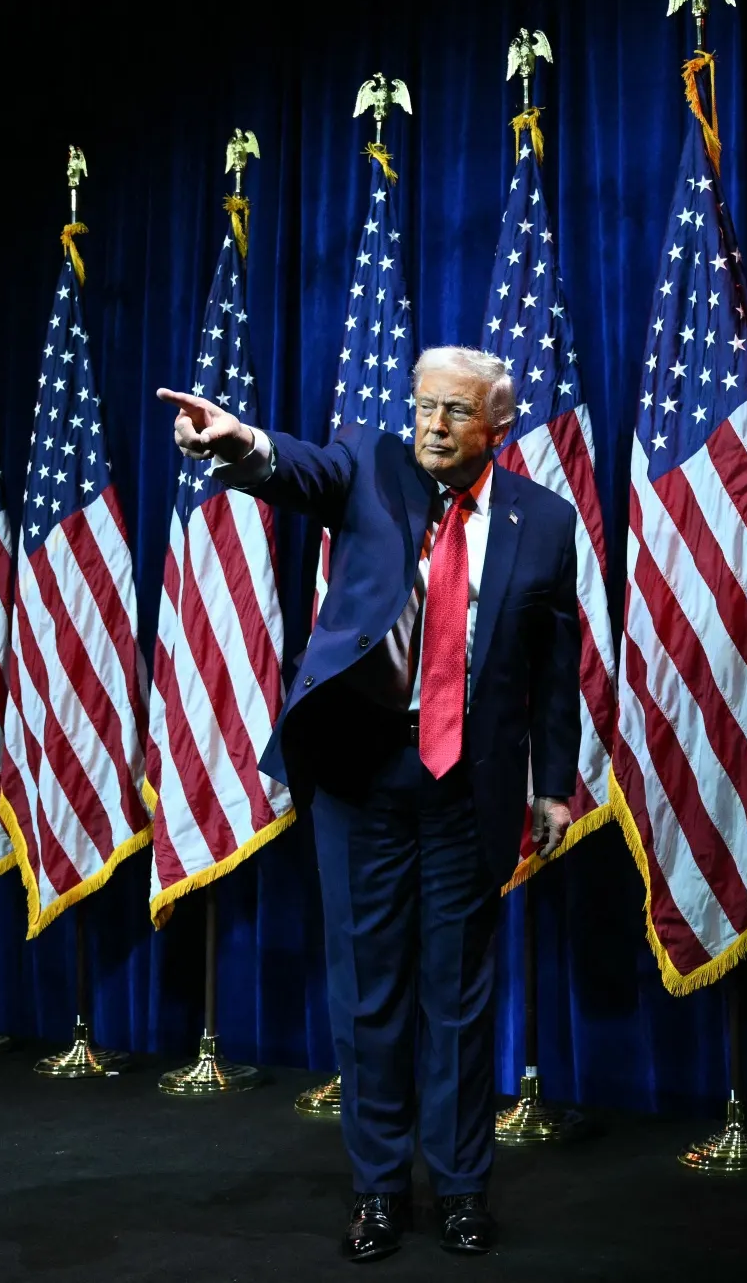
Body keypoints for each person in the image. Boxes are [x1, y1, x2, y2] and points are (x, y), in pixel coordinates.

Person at [155, 346, 580, 1263]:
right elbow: (295, 469)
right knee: (369, 996)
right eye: (424, 406)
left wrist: (553, 785)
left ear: (496, 428)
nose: (432, 424)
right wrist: (239, 443)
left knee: (459, 1001)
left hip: (469, 785)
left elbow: (555, 666)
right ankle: (379, 1189)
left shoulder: (543, 521)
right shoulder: (369, 464)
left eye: (455, 413)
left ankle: (463, 1189)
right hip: (364, 775)